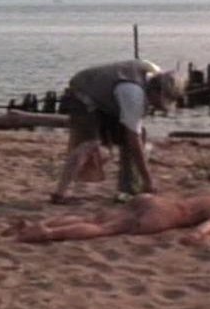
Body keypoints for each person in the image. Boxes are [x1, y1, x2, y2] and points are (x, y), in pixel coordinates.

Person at [50, 59, 185, 204]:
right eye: (161, 100)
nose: (158, 106)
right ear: (155, 91)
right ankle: (60, 194)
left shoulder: (153, 73)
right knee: (89, 143)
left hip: (108, 98)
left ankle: (128, 190)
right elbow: (133, 138)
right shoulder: (133, 95)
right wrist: (148, 179)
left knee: (138, 136)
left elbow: (134, 133)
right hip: (83, 94)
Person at [4, 194, 210, 243]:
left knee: (96, 218)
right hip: (166, 214)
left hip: (154, 200)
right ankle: (47, 234)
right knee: (106, 229)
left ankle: (41, 224)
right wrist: (198, 235)